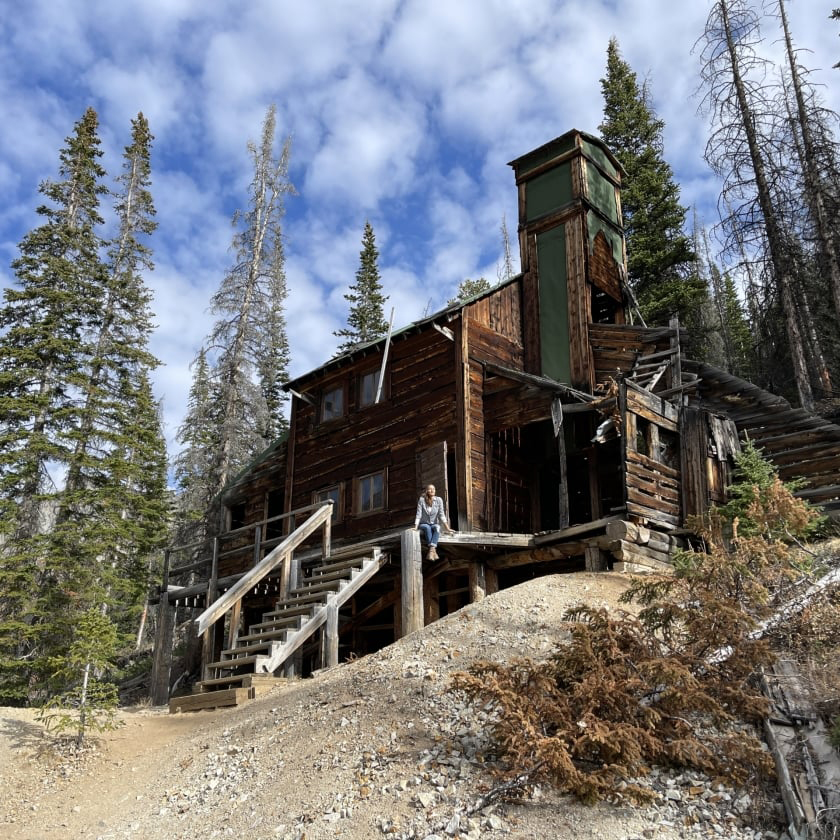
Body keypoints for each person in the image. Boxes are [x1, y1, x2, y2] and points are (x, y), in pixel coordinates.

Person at [414, 483, 452, 560]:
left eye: (433, 489)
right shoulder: (422, 500)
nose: (432, 490)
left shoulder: (439, 500)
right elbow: (418, 514)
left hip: (434, 523)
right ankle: (433, 551)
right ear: (426, 490)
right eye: (430, 489)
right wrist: (415, 527)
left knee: (437, 527)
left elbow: (442, 515)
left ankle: (431, 550)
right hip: (424, 524)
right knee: (427, 528)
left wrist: (447, 528)